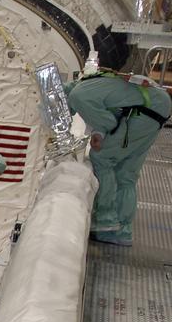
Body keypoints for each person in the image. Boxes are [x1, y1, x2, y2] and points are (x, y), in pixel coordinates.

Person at [66, 38, 170, 246]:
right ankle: (123, 230)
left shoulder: (77, 96)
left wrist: (100, 135)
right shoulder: (89, 83)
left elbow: (108, 122)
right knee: (126, 172)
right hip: (157, 106)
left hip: (143, 113)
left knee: (102, 158)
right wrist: (102, 131)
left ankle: (105, 221)